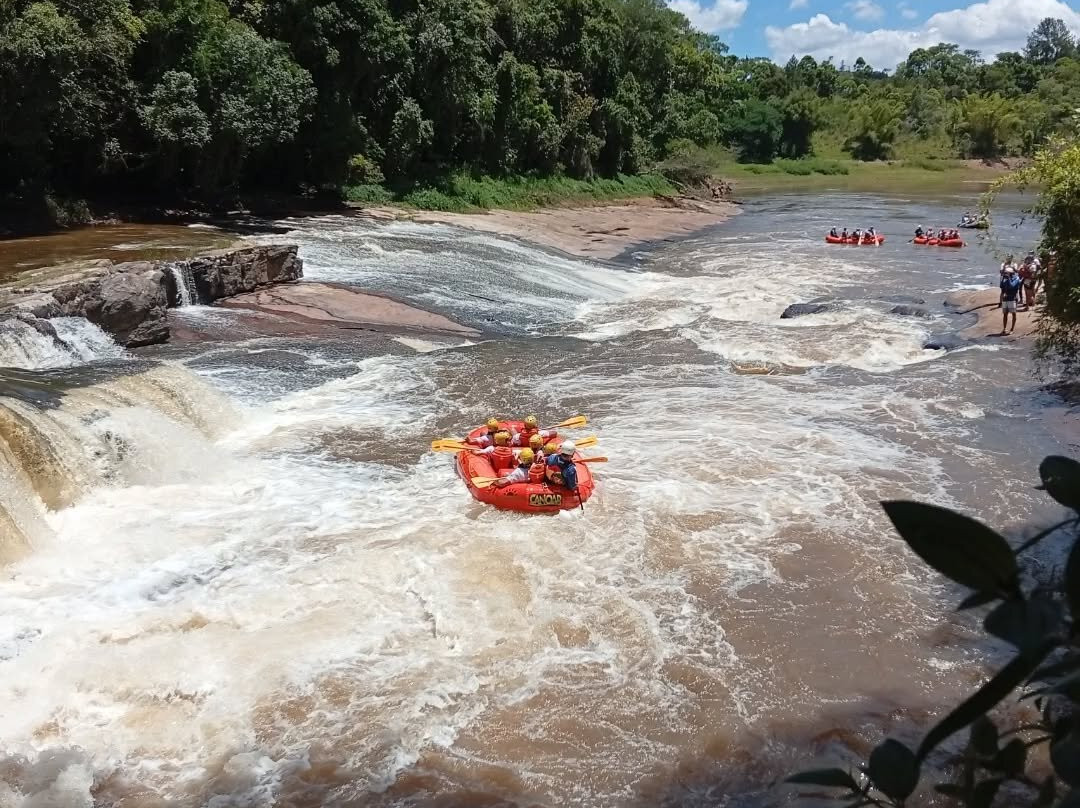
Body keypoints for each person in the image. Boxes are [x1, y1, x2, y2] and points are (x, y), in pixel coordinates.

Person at [1000, 266, 1022, 335]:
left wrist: (1008, 279)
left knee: (1013, 313)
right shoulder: (1004, 278)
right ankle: (1004, 328)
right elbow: (1001, 286)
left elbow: (1012, 286)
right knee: (1005, 314)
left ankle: (1012, 329)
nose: (1006, 274)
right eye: (1005, 273)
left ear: (1011, 273)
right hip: (1006, 298)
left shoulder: (1017, 279)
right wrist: (1002, 279)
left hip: (1013, 298)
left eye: (1007, 273)